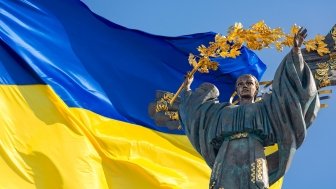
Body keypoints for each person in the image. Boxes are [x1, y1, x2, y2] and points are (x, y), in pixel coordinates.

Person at [178, 28, 320, 189]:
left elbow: (289, 95)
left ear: (256, 88)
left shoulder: (267, 107)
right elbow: (196, 114)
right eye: (240, 84)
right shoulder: (222, 111)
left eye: (249, 83)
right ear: (236, 90)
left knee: (256, 184)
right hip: (226, 155)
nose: (245, 86)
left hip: (254, 151)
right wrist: (187, 90)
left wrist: (296, 53)